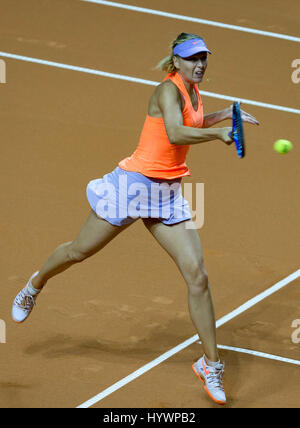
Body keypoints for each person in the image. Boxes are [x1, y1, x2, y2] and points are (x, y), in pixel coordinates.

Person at [12, 32, 259, 405]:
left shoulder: (192, 90)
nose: (200, 64)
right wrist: (220, 133)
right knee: (79, 251)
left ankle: (211, 364)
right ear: (175, 61)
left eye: (204, 57)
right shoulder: (166, 91)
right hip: (132, 188)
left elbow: (190, 120)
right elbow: (176, 132)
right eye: (193, 58)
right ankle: (34, 284)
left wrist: (224, 113)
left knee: (198, 275)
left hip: (167, 194)